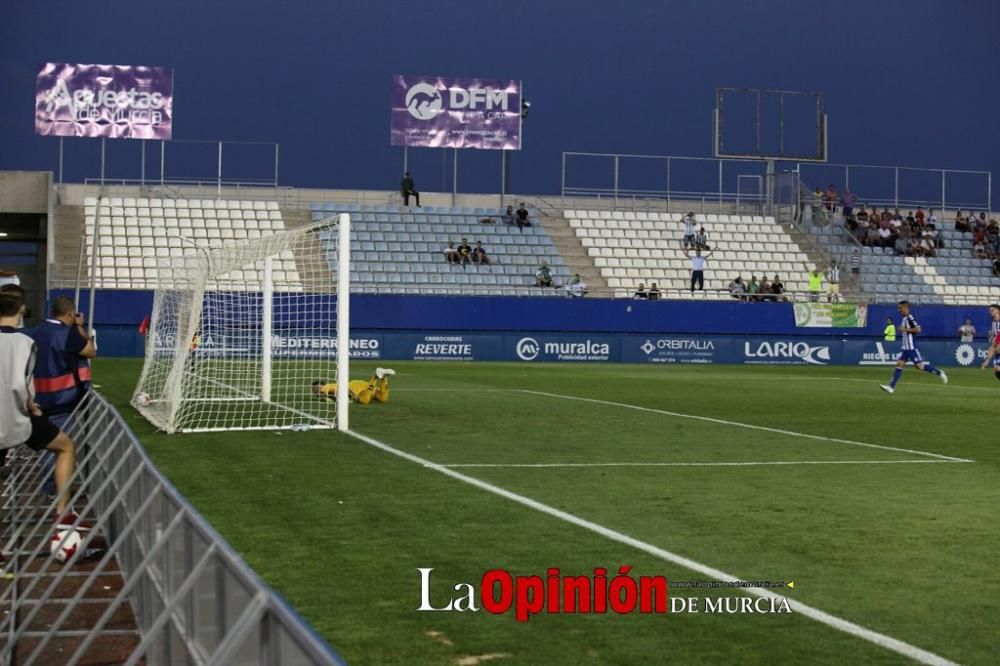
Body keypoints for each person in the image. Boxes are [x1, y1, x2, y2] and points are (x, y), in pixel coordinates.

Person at [0, 286, 81, 526]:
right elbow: (20, 383)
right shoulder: (25, 342)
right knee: (65, 446)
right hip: (18, 415)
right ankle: (62, 513)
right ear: (22, 308)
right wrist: (31, 406)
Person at [880, 301, 948, 394]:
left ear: (905, 308)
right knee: (899, 364)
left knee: (919, 366)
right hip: (905, 349)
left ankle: (939, 372)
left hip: (911, 348)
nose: (898, 310)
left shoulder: (910, 318)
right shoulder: (904, 319)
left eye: (900, 308)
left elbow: (918, 329)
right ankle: (891, 387)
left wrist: (904, 329)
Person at [312, 368, 394, 405]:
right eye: (315, 391)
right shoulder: (328, 394)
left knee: (364, 401)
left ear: (322, 385)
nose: (316, 392)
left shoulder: (327, 387)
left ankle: (376, 377)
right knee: (383, 399)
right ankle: (384, 377)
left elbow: (331, 392)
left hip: (354, 387)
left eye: (317, 389)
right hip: (367, 389)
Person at [978, 305, 1000, 381]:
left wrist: (987, 360)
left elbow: (996, 342)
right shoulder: (994, 322)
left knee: (998, 369)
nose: (990, 312)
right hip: (997, 349)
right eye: (989, 310)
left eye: (992, 310)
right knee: (997, 370)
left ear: (998, 311)